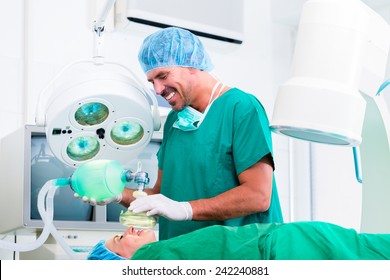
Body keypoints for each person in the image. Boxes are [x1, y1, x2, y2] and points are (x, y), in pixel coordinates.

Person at [82, 26, 283, 240]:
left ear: (192, 64)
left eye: (162, 76)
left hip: (239, 254)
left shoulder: (241, 108)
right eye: (152, 81)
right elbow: (161, 197)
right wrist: (117, 194)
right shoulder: (174, 121)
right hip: (181, 254)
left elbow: (258, 196)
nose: (158, 90)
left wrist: (186, 210)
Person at [87, 222, 390, 260]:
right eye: (118, 239)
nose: (127, 230)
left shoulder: (161, 252)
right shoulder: (151, 261)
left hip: (284, 245)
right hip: (286, 250)